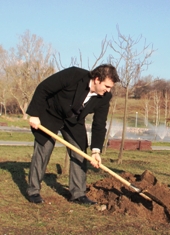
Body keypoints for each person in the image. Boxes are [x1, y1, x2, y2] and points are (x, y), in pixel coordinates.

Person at [26, 64, 120, 205]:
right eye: (106, 86)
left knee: (80, 153)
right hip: (51, 114)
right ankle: (33, 191)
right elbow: (43, 88)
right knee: (43, 149)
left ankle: (78, 194)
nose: (108, 91)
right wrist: (34, 114)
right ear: (97, 79)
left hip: (74, 122)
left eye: (110, 88)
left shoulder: (105, 98)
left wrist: (96, 151)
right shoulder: (73, 75)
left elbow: (99, 124)